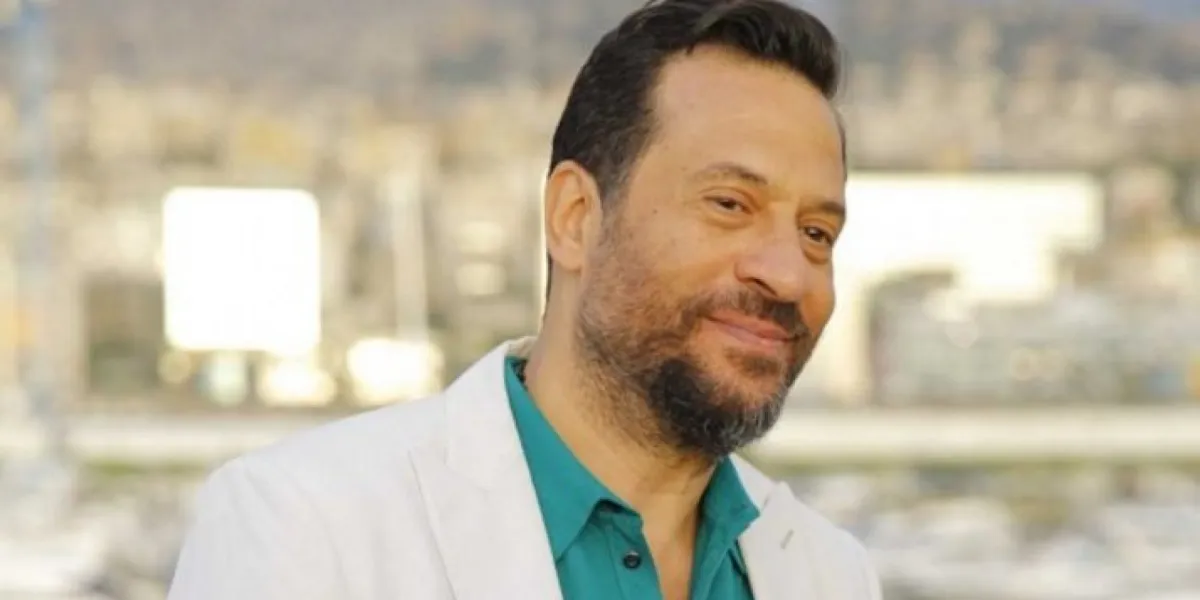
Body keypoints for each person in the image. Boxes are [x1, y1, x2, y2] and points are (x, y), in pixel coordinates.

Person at [166, 0, 880, 598]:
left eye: (817, 233)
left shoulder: (832, 575)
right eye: (729, 204)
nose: (788, 275)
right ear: (575, 218)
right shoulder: (305, 531)